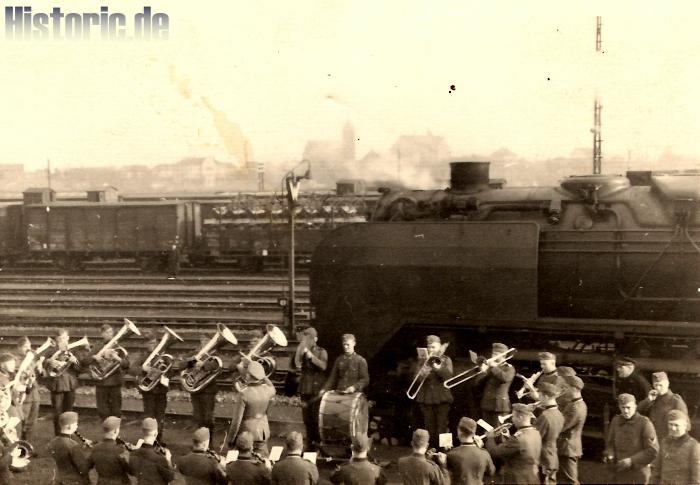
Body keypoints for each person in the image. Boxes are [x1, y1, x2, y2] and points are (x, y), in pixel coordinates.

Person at [604, 393, 659, 484]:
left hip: (638, 473)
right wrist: (610, 454)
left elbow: (653, 450)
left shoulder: (644, 423)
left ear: (635, 406)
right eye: (623, 407)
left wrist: (631, 460)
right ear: (619, 407)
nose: (626, 411)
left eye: (629, 407)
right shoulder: (616, 421)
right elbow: (610, 443)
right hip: (619, 471)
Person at [227, 361, 277, 457]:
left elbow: (236, 421)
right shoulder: (268, 390)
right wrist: (262, 375)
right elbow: (272, 386)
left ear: (249, 376)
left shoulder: (243, 394)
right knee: (263, 460)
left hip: (246, 434)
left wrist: (231, 439)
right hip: (262, 432)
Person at [485, 403, 542, 485]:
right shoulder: (536, 433)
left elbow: (494, 452)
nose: (512, 419)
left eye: (514, 416)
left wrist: (490, 438)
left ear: (520, 418)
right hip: (533, 477)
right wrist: (508, 438)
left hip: (517, 479)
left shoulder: (518, 438)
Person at [413, 335, 453, 449]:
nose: (431, 349)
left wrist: (437, 367)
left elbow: (449, 377)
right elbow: (415, 379)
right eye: (429, 347)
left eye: (433, 347)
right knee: (429, 428)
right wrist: (423, 371)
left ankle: (445, 452)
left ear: (439, 347)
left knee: (443, 428)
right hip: (426, 399)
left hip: (442, 398)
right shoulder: (422, 361)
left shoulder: (446, 360)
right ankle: (431, 451)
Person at [132, 330, 171, 444]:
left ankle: (159, 439)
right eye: (150, 344)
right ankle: (149, 439)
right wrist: (143, 369)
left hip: (161, 391)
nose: (152, 346)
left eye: (154, 343)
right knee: (149, 416)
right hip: (148, 392)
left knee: (160, 415)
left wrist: (163, 373)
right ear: (146, 345)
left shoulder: (164, 357)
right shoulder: (144, 357)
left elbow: (173, 371)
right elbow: (131, 369)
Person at [43, 329, 84, 435]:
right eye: (60, 339)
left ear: (68, 338)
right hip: (57, 384)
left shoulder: (73, 351)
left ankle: (68, 435)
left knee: (69, 412)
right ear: (56, 340)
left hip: (70, 384)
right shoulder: (51, 351)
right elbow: (43, 366)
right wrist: (50, 363)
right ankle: (58, 435)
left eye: (65, 338)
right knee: (57, 413)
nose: (63, 341)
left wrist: (75, 362)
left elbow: (80, 369)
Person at [294, 327, 327, 450]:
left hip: (316, 390)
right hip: (305, 389)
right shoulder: (301, 350)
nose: (307, 340)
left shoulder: (321, 351)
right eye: (306, 338)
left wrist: (311, 356)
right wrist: (300, 352)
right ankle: (309, 444)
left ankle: (319, 444)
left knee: (316, 418)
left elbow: (323, 366)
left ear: (316, 339)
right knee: (307, 419)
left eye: (310, 338)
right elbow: (296, 364)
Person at [89, 324, 130, 420]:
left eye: (111, 332)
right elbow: (86, 361)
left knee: (116, 410)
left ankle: (115, 433)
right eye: (107, 332)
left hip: (115, 382)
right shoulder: (98, 347)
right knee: (103, 411)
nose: (110, 334)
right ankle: (107, 432)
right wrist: (95, 357)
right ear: (102, 334)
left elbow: (127, 364)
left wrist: (117, 358)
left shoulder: (118, 348)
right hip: (101, 383)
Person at [650, 409, 700, 485]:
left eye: (676, 425)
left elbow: (697, 478)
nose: (673, 428)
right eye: (671, 424)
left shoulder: (693, 446)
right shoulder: (665, 442)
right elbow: (657, 470)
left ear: (685, 426)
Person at [185, 334, 220, 441]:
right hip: (196, 391)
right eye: (202, 339)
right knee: (198, 417)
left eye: (207, 340)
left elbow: (216, 366)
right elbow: (182, 365)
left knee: (208, 418)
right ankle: (200, 442)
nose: (204, 342)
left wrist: (203, 365)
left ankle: (209, 443)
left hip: (208, 391)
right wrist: (191, 361)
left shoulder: (214, 354)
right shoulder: (194, 353)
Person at [122, 417, 176, 484]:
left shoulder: (132, 455)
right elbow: (171, 478)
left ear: (142, 432)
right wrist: (169, 461)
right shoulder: (160, 459)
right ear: (156, 433)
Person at [637, 371, 688, 440]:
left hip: (669, 440)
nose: (658, 388)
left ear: (667, 384)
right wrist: (648, 400)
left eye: (660, 385)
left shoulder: (676, 401)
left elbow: (685, 425)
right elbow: (637, 412)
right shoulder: (652, 399)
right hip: (653, 438)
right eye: (656, 385)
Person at [474, 342, 515, 428]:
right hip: (487, 404)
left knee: (499, 433)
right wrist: (483, 371)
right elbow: (477, 383)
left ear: (503, 355)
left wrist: (493, 367)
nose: (493, 355)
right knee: (487, 431)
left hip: (500, 406)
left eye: (496, 354)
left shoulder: (509, 368)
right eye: (493, 353)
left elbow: (505, 378)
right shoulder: (490, 368)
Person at [557, 375, 587, 485]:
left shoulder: (576, 408)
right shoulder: (575, 403)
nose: (563, 390)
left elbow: (561, 426)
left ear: (574, 389)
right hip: (567, 446)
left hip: (568, 448)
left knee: (571, 480)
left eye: (565, 387)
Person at [45, 411, 91, 485]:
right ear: (69, 426)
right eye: (76, 424)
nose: (77, 426)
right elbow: (83, 469)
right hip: (75, 481)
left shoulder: (52, 442)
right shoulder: (73, 446)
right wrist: (91, 457)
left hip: (59, 479)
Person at [446, 417, 495, 485]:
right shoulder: (484, 453)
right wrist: (480, 449)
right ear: (473, 433)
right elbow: (491, 472)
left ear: (459, 432)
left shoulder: (452, 454)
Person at [87, 416, 132, 485]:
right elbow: (131, 471)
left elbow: (87, 466)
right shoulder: (120, 449)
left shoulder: (95, 448)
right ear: (115, 431)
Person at [534, 382, 564, 485]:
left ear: (546, 396)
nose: (539, 399)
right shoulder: (559, 414)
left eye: (540, 396)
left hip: (543, 458)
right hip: (552, 456)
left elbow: (535, 437)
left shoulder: (545, 416)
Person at [13, 337, 40, 442]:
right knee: (23, 420)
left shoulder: (32, 359)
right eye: (25, 347)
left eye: (29, 346)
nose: (28, 349)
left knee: (32, 421)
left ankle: (27, 445)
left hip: (34, 393)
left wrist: (39, 367)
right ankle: (20, 445)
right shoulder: (16, 360)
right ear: (19, 348)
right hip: (24, 395)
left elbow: (38, 375)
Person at [0, 353, 23, 438]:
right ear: (2, 365)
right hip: (8, 414)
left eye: (14, 363)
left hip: (16, 412)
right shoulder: (1, 379)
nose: (13, 366)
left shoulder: (12, 376)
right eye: (10, 363)